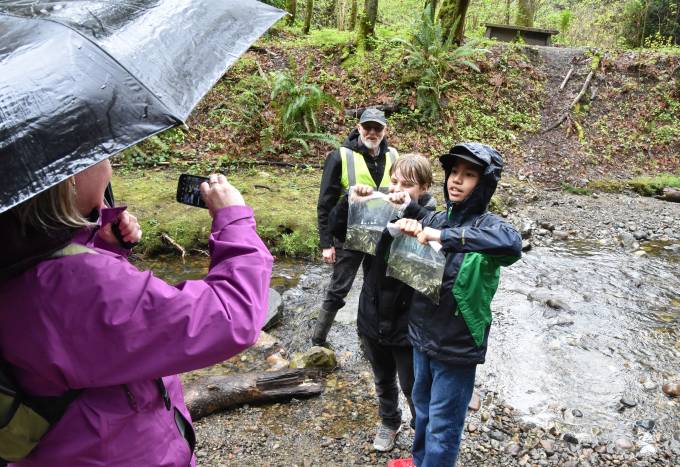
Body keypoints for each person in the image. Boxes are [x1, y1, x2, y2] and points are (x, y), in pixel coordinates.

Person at [0, 160, 273, 466]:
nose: (109, 167)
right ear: (70, 176)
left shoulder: (18, 260)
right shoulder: (80, 286)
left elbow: (90, 334)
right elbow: (230, 316)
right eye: (101, 158)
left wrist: (98, 246)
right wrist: (233, 219)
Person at [391, 142, 522, 467]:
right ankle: (419, 462)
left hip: (456, 346)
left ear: (485, 184)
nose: (456, 180)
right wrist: (407, 225)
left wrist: (444, 237)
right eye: (453, 172)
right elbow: (405, 237)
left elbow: (512, 244)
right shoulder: (437, 216)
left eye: (468, 175)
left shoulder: (491, 227)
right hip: (421, 337)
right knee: (422, 411)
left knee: (444, 427)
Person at [353, 154, 436, 452]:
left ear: (424, 187)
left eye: (408, 185)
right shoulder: (378, 209)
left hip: (407, 325)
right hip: (372, 314)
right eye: (394, 181)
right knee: (382, 378)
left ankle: (421, 429)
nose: (397, 189)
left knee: (412, 385)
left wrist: (407, 208)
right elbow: (342, 232)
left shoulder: (433, 220)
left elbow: (436, 264)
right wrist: (350, 200)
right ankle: (390, 421)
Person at [313, 108, 398, 347]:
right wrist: (326, 243)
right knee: (339, 289)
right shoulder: (340, 156)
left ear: (385, 130)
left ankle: (366, 336)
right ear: (359, 128)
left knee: (374, 290)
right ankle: (318, 339)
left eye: (377, 128)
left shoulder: (393, 156)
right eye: (367, 127)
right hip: (347, 236)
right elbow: (325, 203)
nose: (372, 132)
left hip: (380, 237)